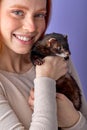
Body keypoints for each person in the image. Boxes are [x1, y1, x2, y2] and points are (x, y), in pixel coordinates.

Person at [0, 0, 87, 130]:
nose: (31, 28)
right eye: (17, 12)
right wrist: (46, 78)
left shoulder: (56, 57)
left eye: (40, 15)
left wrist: (73, 120)